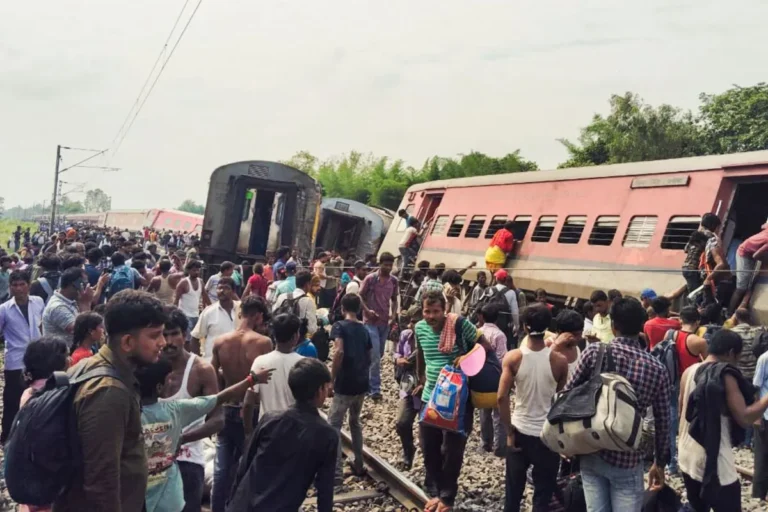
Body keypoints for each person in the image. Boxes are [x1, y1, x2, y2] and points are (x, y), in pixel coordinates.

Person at [53, 290, 168, 511]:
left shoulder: (91, 366)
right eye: (155, 335)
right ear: (126, 342)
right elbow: (101, 482)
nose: (162, 342)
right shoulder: (109, 393)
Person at [564, 297, 670, 511]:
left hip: (592, 449)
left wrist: (567, 440)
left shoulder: (593, 353)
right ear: (641, 327)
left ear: (613, 326)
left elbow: (569, 395)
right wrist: (659, 463)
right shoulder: (656, 368)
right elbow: (663, 420)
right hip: (628, 457)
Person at [138, 357, 271, 512]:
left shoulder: (128, 415)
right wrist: (251, 379)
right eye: (169, 380)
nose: (172, 383)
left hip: (140, 497)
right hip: (170, 500)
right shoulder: (174, 410)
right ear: (159, 387)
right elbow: (220, 398)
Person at [415, 290, 492, 511]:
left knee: (452, 449)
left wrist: (466, 358)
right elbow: (420, 353)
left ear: (444, 310)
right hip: (431, 397)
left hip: (459, 400)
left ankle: (447, 497)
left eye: (436, 311)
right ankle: (436, 490)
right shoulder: (419, 328)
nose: (431, 316)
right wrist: (420, 379)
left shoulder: (459, 325)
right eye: (427, 311)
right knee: (429, 446)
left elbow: (485, 347)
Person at [228, 358, 338, 512]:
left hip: (242, 505)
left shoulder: (270, 419)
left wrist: (231, 502)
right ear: (320, 391)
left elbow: (244, 465)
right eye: (327, 387)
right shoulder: (327, 435)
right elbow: (325, 489)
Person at [679, 329, 768, 511]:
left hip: (687, 456)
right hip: (714, 463)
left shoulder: (689, 371)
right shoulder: (725, 375)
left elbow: (683, 410)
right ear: (730, 353)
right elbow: (744, 418)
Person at [498, 304, 569, 512]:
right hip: (547, 436)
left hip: (520, 431)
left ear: (524, 327)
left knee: (513, 492)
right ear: (548, 326)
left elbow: (501, 397)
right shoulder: (559, 361)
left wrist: (509, 431)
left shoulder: (513, 358)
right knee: (543, 494)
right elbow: (558, 394)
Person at [209, 295, 273, 512]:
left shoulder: (220, 341)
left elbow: (214, 377)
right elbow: (265, 381)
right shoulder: (263, 343)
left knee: (222, 468)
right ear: (257, 316)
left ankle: (218, 508)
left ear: (240, 313)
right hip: (251, 411)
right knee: (250, 466)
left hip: (227, 407)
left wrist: (216, 405)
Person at [158, 308, 221, 512]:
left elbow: (218, 419)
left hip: (188, 460)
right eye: (163, 334)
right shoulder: (148, 367)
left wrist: (182, 438)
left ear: (185, 334)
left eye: (174, 333)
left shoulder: (201, 370)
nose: (168, 341)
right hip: (152, 462)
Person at [328, 294, 372, 484]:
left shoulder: (339, 326)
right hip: (361, 383)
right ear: (359, 308)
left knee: (333, 425)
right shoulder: (364, 329)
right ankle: (359, 463)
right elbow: (370, 355)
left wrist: (331, 379)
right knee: (355, 422)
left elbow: (339, 351)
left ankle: (336, 474)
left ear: (343, 308)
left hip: (345, 384)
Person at [0, 270, 45, 443]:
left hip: (37, 358)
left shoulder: (38, 302)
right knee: (12, 398)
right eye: (15, 285)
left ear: (28, 285)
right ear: (10, 287)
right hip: (15, 360)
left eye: (22, 284)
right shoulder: (4, 309)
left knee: (36, 395)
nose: (18, 289)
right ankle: (7, 436)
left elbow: (40, 325)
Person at [242, 313, 304, 439]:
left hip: (267, 429)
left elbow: (248, 402)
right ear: (295, 337)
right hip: (295, 431)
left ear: (274, 336)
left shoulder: (260, 362)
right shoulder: (303, 363)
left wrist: (249, 433)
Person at [359, 252, 399, 401]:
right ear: (380, 264)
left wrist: (394, 315)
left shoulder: (394, 281)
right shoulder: (371, 279)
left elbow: (394, 300)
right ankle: (374, 389)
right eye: (386, 264)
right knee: (375, 354)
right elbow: (360, 295)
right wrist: (367, 311)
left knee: (379, 354)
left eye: (390, 265)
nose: (388, 267)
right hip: (370, 322)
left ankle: (364, 380)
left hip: (384, 322)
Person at [478, 303, 508, 456]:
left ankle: (485, 443)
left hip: (481, 376)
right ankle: (499, 447)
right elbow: (503, 359)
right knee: (498, 413)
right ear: (498, 318)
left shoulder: (478, 332)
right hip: (496, 377)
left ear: (482, 316)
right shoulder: (499, 335)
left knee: (484, 410)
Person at [42, 267, 95, 346]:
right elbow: (84, 331)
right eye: (84, 284)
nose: (86, 288)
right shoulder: (58, 307)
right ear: (74, 285)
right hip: (60, 355)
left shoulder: (71, 300)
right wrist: (85, 303)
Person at [190, 277, 240, 360]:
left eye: (226, 288)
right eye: (219, 288)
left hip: (236, 363)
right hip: (212, 362)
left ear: (233, 292)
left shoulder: (242, 309)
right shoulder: (208, 312)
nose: (222, 291)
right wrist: (199, 362)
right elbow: (195, 338)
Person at [394, 317, 419, 470]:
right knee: (402, 423)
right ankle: (408, 452)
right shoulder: (406, 335)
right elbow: (397, 352)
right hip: (408, 386)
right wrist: (399, 360)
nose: (411, 325)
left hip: (427, 389)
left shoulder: (433, 338)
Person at [730, 222, 768, 313]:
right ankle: (729, 312)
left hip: (750, 252)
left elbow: (763, 225)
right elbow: (756, 256)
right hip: (744, 254)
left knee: (748, 285)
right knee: (741, 288)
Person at [273, 270, 318, 337]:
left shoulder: (282, 297)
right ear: (307, 284)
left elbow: (274, 315)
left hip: (281, 338)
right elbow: (312, 329)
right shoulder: (308, 301)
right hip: (297, 341)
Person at [174, 259, 209, 336]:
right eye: (194, 270)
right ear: (188, 270)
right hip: (185, 315)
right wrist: (175, 315)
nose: (196, 272)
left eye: (198, 270)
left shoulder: (201, 282)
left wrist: (211, 307)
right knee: (187, 339)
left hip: (196, 315)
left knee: (195, 338)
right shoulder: (183, 283)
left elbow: (205, 296)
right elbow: (176, 300)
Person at [549, 309, 584, 379]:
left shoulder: (576, 348)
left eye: (581, 333)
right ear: (560, 332)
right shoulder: (548, 346)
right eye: (575, 335)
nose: (579, 338)